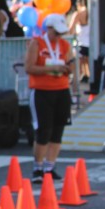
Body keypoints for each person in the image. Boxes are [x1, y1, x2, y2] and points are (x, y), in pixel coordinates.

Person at [26, 14, 74, 183]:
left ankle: (50, 167)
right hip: (41, 91)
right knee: (43, 130)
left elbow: (71, 64)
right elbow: (29, 67)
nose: (59, 36)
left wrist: (67, 68)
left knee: (58, 131)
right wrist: (51, 68)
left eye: (61, 33)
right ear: (49, 28)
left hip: (61, 90)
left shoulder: (65, 45)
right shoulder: (37, 43)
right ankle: (38, 167)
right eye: (56, 32)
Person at [68, 0, 90, 83]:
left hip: (81, 44)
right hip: (91, 44)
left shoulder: (78, 14)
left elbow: (70, 30)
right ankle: (86, 75)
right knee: (86, 61)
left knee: (76, 61)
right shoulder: (94, 14)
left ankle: (76, 78)